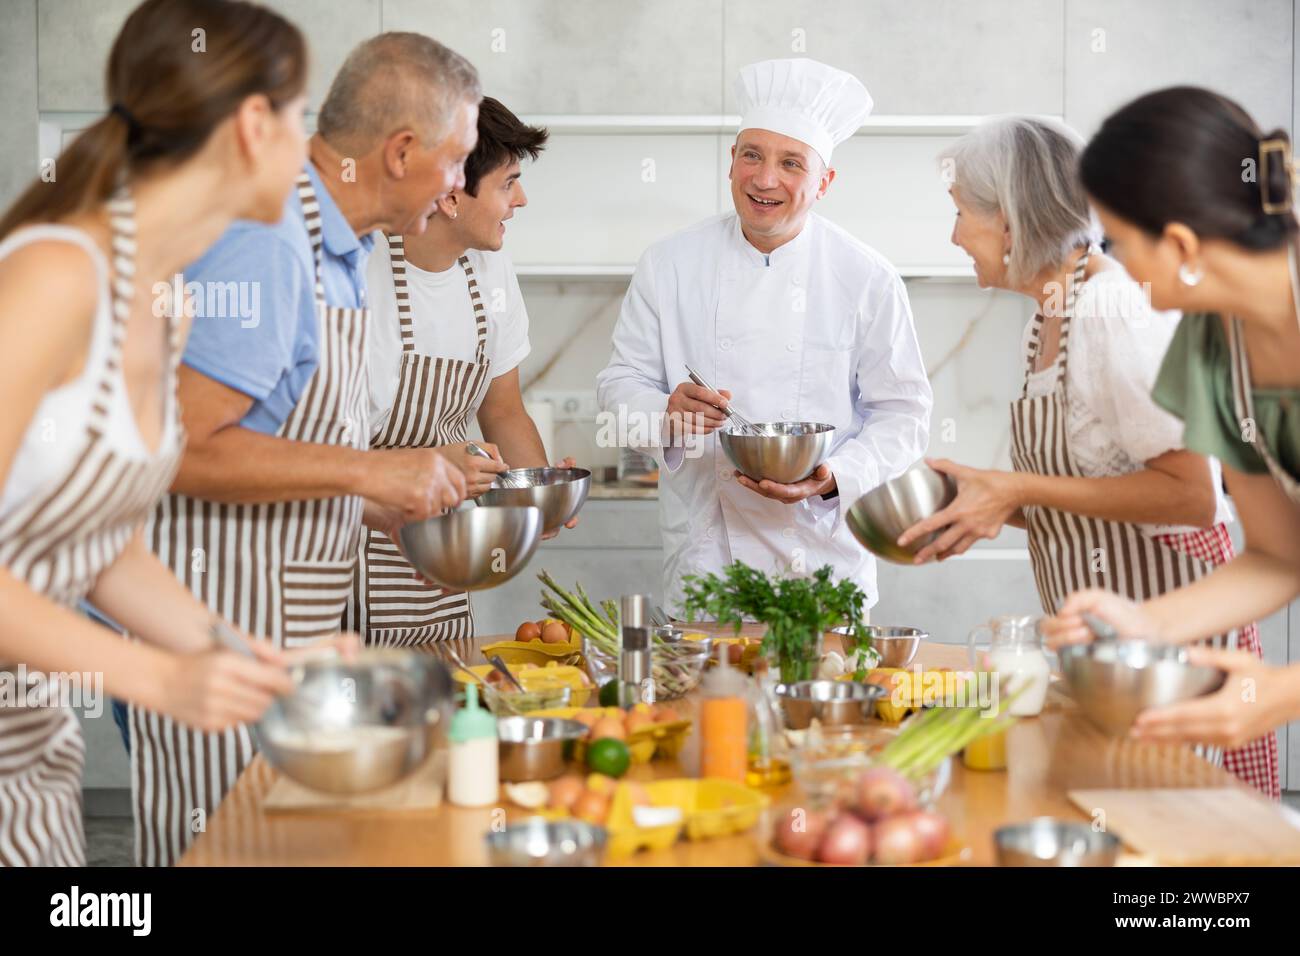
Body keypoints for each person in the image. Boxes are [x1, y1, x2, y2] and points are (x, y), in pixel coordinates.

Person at [129, 32, 478, 866]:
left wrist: (376, 505)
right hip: (214, 630)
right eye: (459, 160)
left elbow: (280, 443)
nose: (460, 187)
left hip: (283, 633)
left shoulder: (341, 249)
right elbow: (181, 450)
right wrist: (372, 470)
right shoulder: (270, 240)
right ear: (401, 152)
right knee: (225, 848)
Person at [0, 0, 309, 866]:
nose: (310, 146)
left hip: (28, 750)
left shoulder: (160, 303)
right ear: (254, 125)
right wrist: (160, 680)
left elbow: (103, 550)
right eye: (300, 116)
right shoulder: (56, 273)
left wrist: (256, 661)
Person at [896, 116, 1277, 797]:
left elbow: (1191, 496)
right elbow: (1080, 501)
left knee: (1172, 852)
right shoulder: (1046, 318)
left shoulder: (1112, 311)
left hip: (1167, 660)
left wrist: (1013, 486)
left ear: (1010, 221)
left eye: (961, 215)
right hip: (1108, 660)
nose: (955, 236)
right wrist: (979, 503)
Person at [596, 58, 932, 616]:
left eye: (791, 163)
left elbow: (904, 413)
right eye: (751, 154)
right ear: (731, 162)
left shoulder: (866, 277)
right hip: (707, 567)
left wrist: (832, 478)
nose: (765, 178)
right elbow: (618, 385)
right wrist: (665, 414)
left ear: (824, 182)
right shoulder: (670, 264)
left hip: (823, 569)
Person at [1042, 87, 1300, 763]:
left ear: (1180, 242)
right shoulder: (1215, 342)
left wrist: (1283, 691)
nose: (1113, 261)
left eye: (1120, 242)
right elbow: (1279, 555)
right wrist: (1144, 623)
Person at [355, 96, 574, 645]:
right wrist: (428, 465)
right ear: (452, 193)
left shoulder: (490, 267)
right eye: (508, 184)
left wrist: (537, 491)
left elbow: (502, 409)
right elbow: (308, 449)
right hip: (348, 547)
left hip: (440, 561)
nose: (520, 200)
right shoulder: (358, 270)